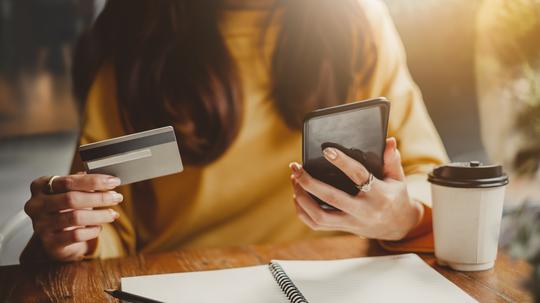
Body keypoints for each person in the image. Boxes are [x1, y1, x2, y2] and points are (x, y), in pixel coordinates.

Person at [21, 0, 447, 262]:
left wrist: (401, 217)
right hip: (173, 281)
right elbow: (109, 219)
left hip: (341, 277)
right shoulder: (132, 47)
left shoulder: (360, 26)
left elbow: (427, 175)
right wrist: (78, 236)